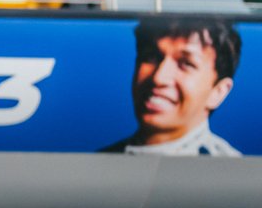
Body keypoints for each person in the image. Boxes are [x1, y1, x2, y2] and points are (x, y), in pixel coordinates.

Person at [102, 16, 242, 156]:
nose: (159, 78)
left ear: (218, 92)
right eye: (151, 57)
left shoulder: (235, 174)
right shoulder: (101, 163)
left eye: (186, 63)